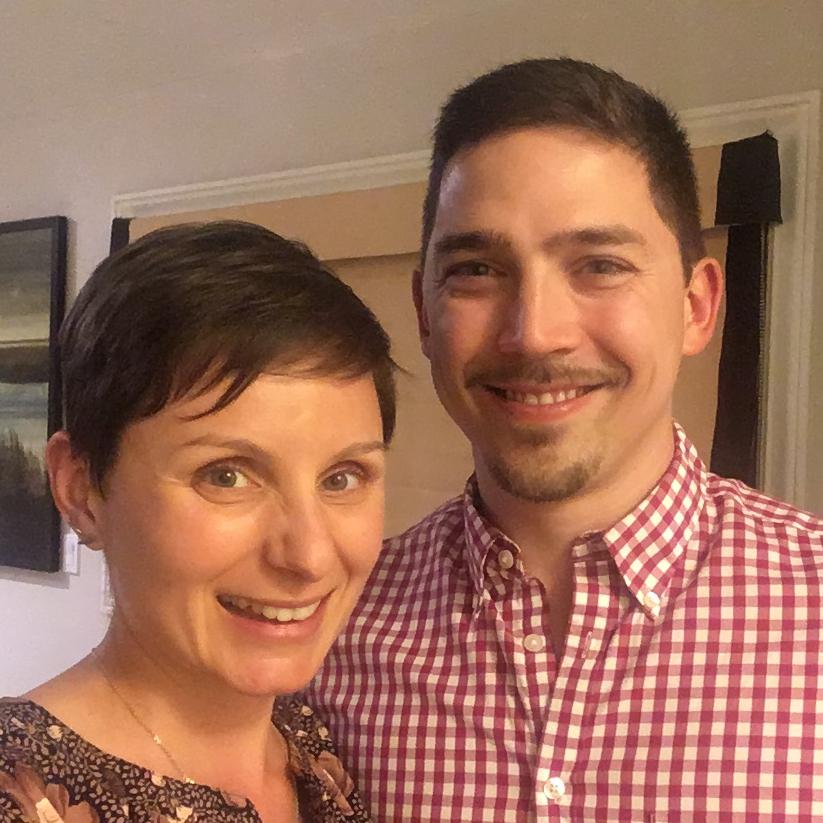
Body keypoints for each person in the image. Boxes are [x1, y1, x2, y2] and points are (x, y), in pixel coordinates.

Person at [307, 58, 823, 821]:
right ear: (423, 311)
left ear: (695, 305)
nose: (534, 332)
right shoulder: (325, 630)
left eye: (600, 265)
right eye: (477, 269)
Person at [0, 221, 397, 822]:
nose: (309, 556)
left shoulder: (308, 746)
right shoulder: (19, 792)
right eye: (226, 476)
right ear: (81, 491)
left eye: (342, 478)